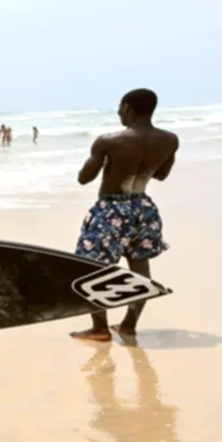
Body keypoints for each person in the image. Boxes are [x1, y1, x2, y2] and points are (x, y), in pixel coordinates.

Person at [70, 88, 179, 342]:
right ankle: (129, 325)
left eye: (120, 107)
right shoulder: (169, 140)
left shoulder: (109, 142)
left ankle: (99, 329)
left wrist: (107, 163)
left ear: (127, 108)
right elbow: (161, 175)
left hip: (111, 210)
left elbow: (84, 178)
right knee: (140, 268)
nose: (118, 112)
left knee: (91, 269)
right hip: (143, 208)